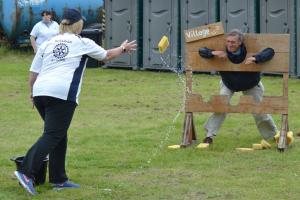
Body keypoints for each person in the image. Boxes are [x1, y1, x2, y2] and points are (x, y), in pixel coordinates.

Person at [14, 8, 137, 195]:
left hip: (40, 92)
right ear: (78, 25)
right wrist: (122, 48)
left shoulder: (47, 43)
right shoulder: (82, 42)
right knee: (53, 135)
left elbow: (33, 73)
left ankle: (59, 179)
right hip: (62, 94)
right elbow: (106, 56)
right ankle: (26, 172)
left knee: (58, 134)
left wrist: (32, 93)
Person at [199, 29, 278, 145]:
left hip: (250, 83)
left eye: (233, 42)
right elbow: (200, 50)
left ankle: (274, 135)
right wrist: (212, 53)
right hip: (229, 83)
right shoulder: (222, 49)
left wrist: (257, 58)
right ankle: (209, 136)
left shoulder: (249, 49)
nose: (230, 44)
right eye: (228, 41)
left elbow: (271, 51)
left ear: (240, 43)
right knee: (220, 105)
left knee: (259, 111)